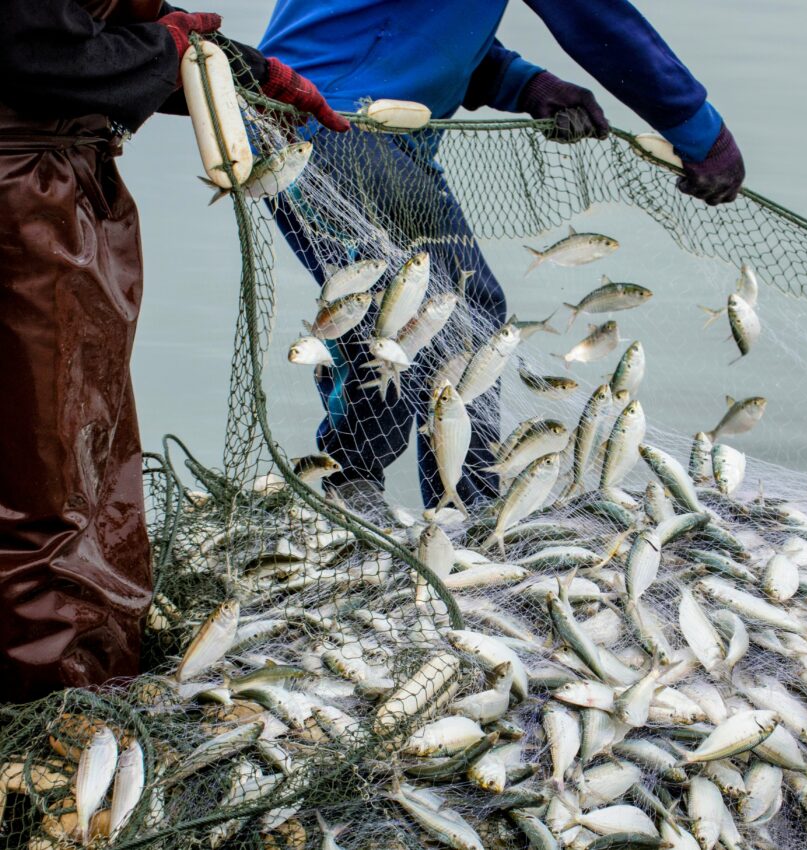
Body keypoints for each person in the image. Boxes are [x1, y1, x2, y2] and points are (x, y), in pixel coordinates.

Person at [259, 0, 747, 517]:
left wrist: (523, 84)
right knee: (439, 312)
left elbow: (414, 25)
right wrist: (698, 129)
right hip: (335, 123)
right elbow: (595, 17)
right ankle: (440, 502)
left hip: (327, 119)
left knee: (429, 310)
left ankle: (391, 492)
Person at [0, 0, 347, 703]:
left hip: (56, 181)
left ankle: (91, 675)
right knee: (44, 477)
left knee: (80, 451)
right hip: (21, 202)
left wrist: (250, 71)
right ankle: (56, 710)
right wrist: (167, 49)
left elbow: (95, 32)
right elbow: (37, 57)